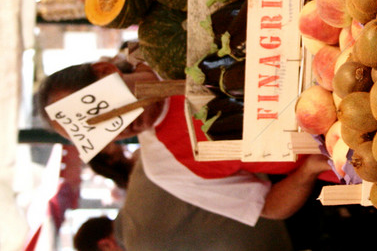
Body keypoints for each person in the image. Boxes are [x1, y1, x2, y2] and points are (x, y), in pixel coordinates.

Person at [38, 61, 337, 226]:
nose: (113, 130)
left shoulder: (164, 44)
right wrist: (308, 170)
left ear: (105, 71)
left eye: (97, 113)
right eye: (92, 136)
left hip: (333, 58)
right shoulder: (163, 168)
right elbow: (267, 206)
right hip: (339, 147)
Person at [73, 161, 293, 251]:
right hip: (271, 167)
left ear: (105, 245)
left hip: (281, 226)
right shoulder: (140, 176)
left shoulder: (140, 244)